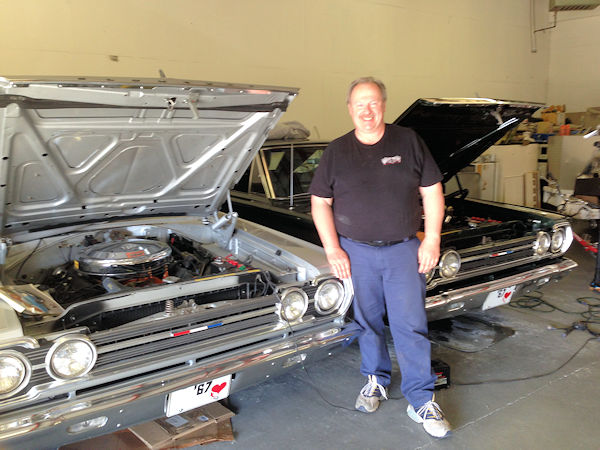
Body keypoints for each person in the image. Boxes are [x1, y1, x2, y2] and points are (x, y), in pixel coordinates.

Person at [309, 77, 451, 438]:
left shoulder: (408, 141)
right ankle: (375, 380)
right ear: (349, 109)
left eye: (373, 102)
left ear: (384, 105)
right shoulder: (337, 151)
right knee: (367, 322)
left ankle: (421, 399)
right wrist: (333, 248)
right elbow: (320, 202)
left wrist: (432, 239)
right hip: (356, 253)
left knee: (410, 325)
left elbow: (432, 191)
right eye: (360, 104)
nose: (367, 110)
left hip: (404, 250)